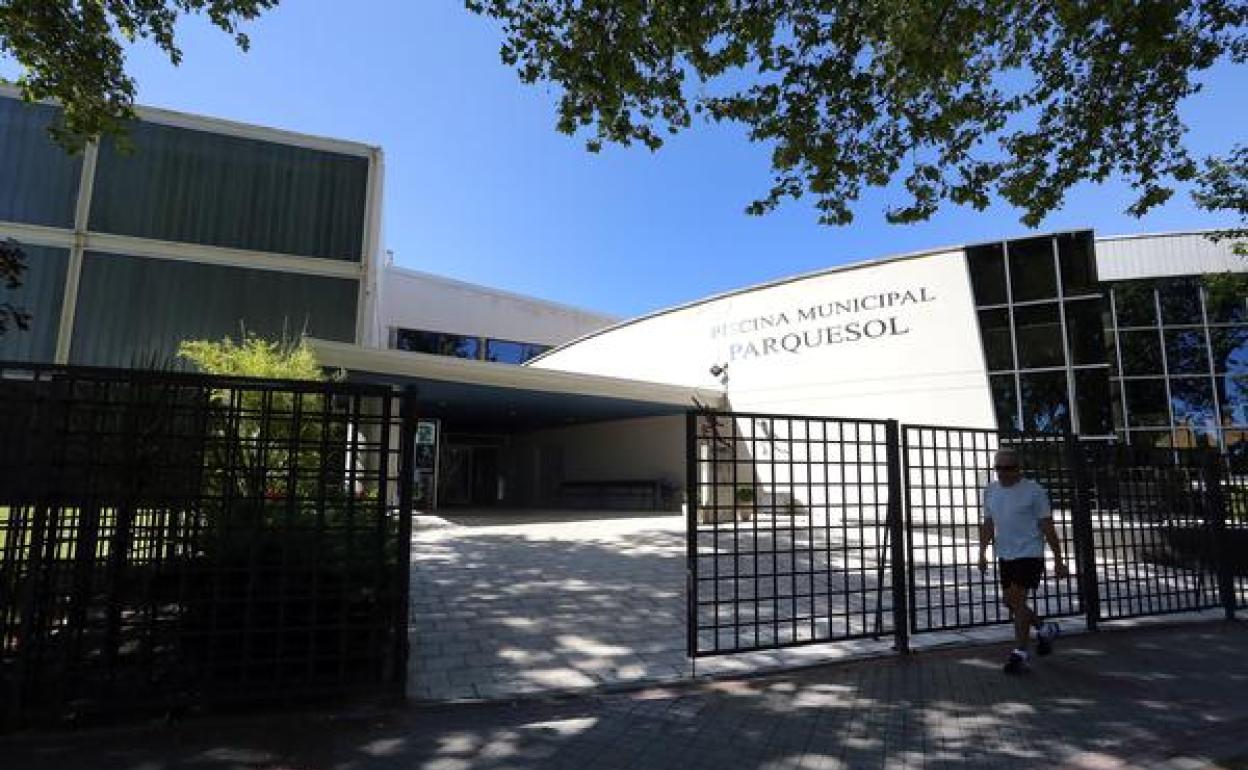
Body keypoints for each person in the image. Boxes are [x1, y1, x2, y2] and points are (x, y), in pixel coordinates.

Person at [977, 447, 1069, 674]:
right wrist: (981, 552)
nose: (1002, 473)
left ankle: (1020, 654)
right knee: (1011, 603)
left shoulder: (1034, 491)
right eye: (998, 468)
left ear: (1019, 469)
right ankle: (1044, 629)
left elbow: (1047, 526)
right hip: (1005, 554)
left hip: (1029, 552)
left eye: (1007, 468)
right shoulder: (990, 491)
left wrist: (1059, 559)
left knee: (1014, 599)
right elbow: (988, 524)